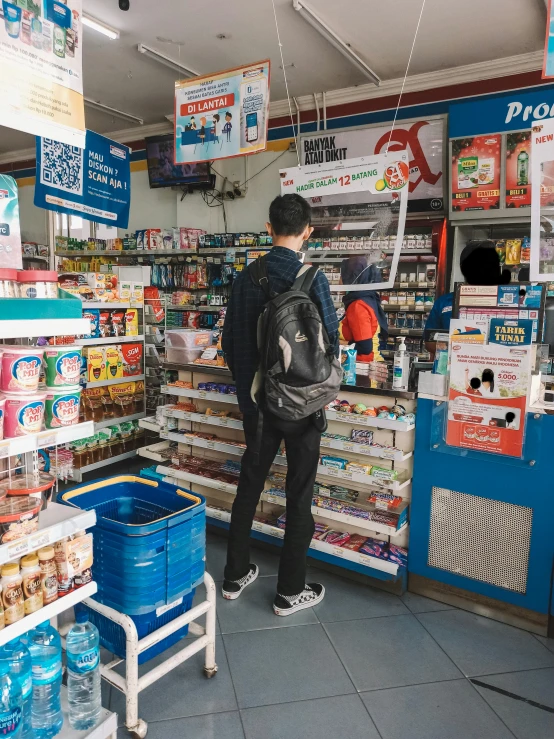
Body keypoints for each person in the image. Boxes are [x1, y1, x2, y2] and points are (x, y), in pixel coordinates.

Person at [221, 194, 339, 615]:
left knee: (248, 486)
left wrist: (250, 388)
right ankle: (290, 592)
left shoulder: (244, 278)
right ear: (308, 230)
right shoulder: (314, 279)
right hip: (304, 407)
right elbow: (331, 345)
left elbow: (229, 345)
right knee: (299, 494)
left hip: (257, 408)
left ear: (268, 228)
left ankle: (234, 575)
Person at [425, 240, 510, 354]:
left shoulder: (506, 302)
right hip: (454, 368)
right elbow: (429, 342)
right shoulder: (445, 302)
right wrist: (457, 350)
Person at [340, 256, 388, 361]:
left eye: (343, 275)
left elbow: (364, 347)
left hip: (362, 370)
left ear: (352, 278)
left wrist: (336, 343)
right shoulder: (367, 298)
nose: (340, 281)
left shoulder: (358, 306)